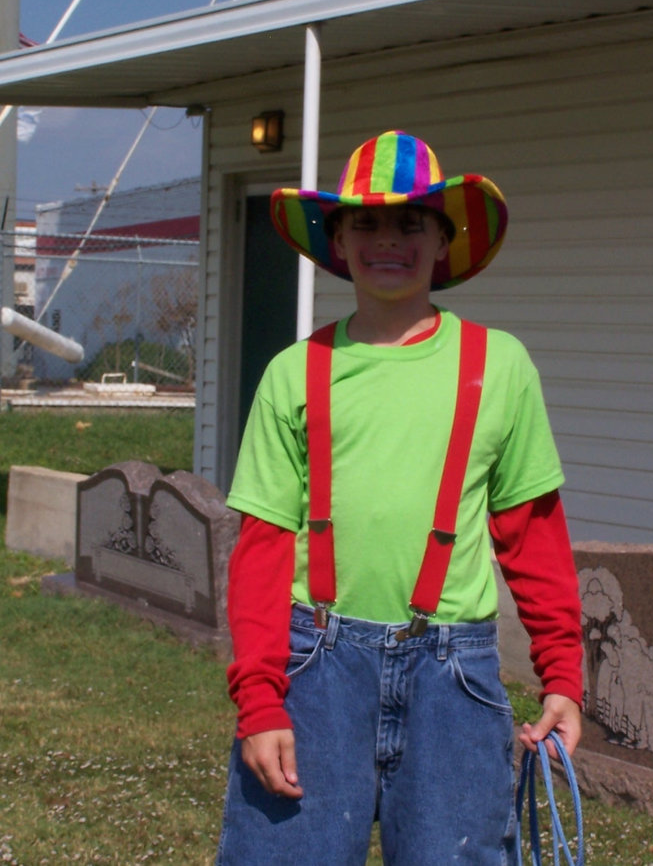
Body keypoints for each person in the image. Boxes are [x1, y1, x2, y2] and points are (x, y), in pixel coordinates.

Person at [216, 130, 583, 865]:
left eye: (412, 222)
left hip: (453, 678)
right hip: (315, 670)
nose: (390, 240)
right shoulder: (296, 373)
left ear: (443, 241)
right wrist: (260, 700)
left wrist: (563, 674)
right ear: (339, 240)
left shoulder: (498, 366)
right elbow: (261, 552)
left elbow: (532, 535)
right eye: (369, 223)